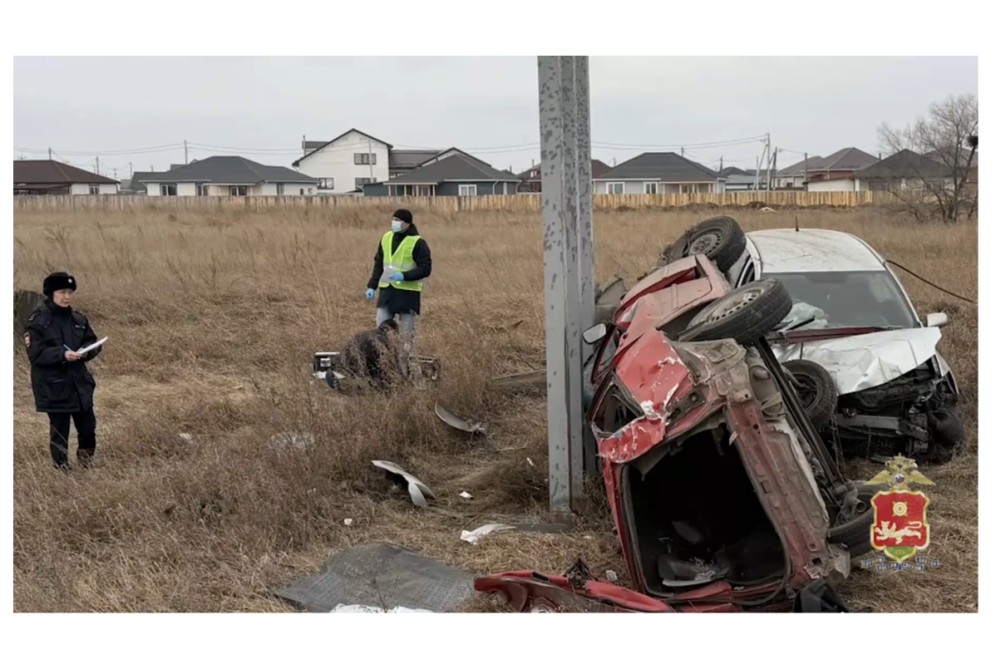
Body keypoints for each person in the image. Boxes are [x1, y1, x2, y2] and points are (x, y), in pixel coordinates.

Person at [25, 272, 103, 470]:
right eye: (62, 292)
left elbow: (92, 342)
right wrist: (62, 354)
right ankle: (62, 472)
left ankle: (86, 466)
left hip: (80, 385)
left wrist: (86, 353)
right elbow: (36, 354)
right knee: (60, 433)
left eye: (69, 292)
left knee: (88, 430)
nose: (66, 296)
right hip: (54, 387)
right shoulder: (38, 321)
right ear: (51, 293)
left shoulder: (78, 318)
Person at [365, 208, 431, 374]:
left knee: (406, 339)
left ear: (407, 223)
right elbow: (379, 263)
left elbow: (425, 268)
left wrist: (405, 275)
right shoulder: (386, 238)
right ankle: (382, 370)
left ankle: (404, 372)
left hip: (407, 296)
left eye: (398, 220)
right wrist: (372, 286)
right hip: (387, 294)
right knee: (380, 335)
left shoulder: (418, 242)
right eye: (393, 219)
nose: (394, 222)